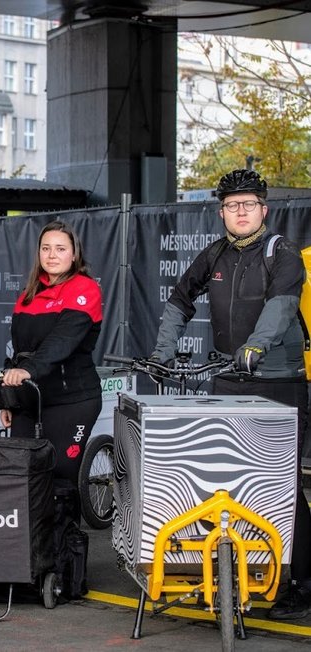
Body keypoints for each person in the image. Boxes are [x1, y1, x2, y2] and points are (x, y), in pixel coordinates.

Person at [150, 168, 311, 620]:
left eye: (248, 204)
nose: (240, 212)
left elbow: (282, 305)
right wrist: (164, 353)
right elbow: (180, 300)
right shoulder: (215, 253)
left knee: (283, 485)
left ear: (264, 209)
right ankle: (235, 572)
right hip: (228, 379)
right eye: (231, 205)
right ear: (221, 212)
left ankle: (300, 579)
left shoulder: (282, 253)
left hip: (277, 381)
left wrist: (256, 347)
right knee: (227, 481)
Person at [0, 220, 103, 485]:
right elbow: (18, 353)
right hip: (31, 398)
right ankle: (33, 529)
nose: (52, 255)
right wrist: (10, 399)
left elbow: (62, 342)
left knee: (61, 475)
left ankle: (65, 528)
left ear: (74, 254)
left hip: (72, 400)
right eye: (46, 248)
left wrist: (28, 371)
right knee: (23, 474)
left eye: (60, 248)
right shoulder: (28, 295)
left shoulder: (85, 288)